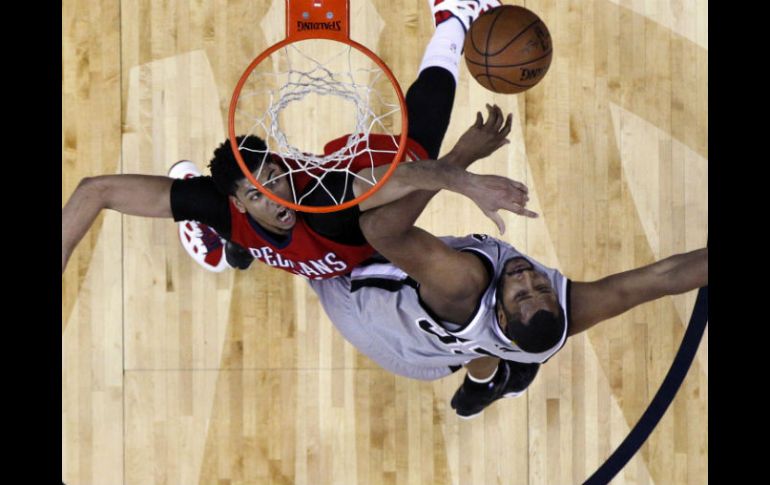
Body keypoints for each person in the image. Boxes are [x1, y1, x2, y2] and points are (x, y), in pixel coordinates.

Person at [61, 0, 507, 277]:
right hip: (243, 222)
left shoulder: (324, 200)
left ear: (281, 164)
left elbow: (411, 173)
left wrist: (465, 182)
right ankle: (235, 247)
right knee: (214, 213)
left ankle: (454, 19)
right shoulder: (223, 204)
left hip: (346, 221)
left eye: (273, 177)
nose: (275, 196)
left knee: (416, 147)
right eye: (256, 194)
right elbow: (94, 190)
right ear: (238, 202)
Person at [307, 148, 708, 418]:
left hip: (365, 312)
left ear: (500, 309)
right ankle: (484, 386)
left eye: (522, 292)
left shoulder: (462, 284)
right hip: (444, 349)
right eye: (542, 289)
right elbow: (663, 278)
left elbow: (378, 229)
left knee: (299, 223)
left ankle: (244, 242)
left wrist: (456, 166)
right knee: (481, 347)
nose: (529, 277)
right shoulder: (557, 322)